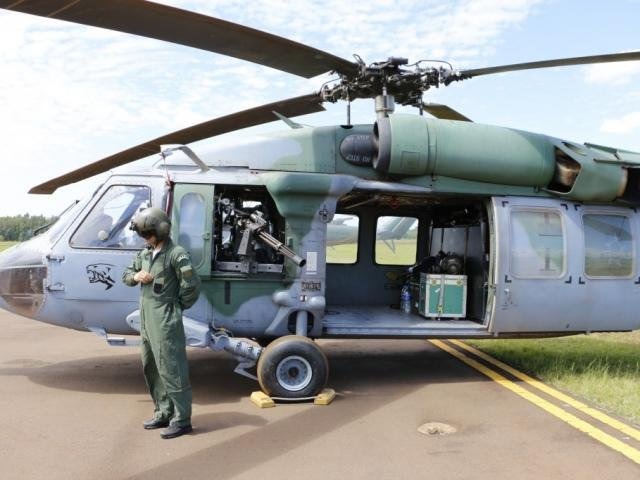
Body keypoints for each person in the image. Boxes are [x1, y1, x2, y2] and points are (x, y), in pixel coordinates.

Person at [122, 207, 201, 439]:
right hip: (147, 317)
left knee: (172, 369)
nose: (145, 238)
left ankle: (182, 419)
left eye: (148, 234)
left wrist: (176, 307)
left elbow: (192, 286)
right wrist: (136, 276)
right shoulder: (145, 254)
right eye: (143, 235)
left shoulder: (176, 254)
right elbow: (126, 275)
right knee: (152, 367)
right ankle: (164, 412)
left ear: (162, 231)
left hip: (165, 318)